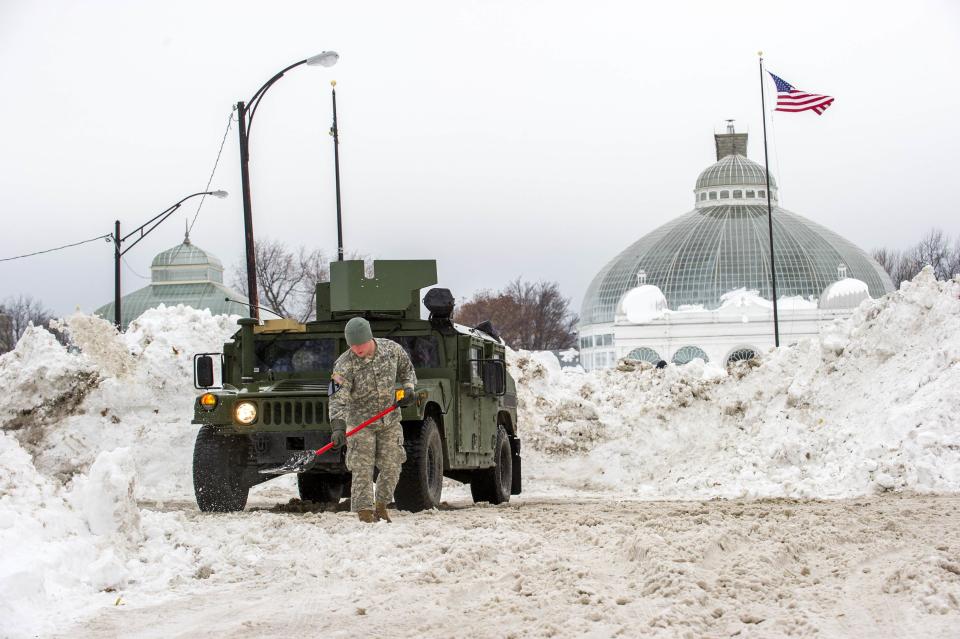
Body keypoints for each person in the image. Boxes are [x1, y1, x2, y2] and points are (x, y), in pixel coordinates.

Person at [328, 317, 417, 523]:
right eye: (352, 345)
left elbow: (407, 370)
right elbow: (336, 397)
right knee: (362, 468)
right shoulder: (343, 364)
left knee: (393, 464)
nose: (357, 349)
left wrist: (408, 388)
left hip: (389, 420)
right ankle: (364, 513)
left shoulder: (391, 350)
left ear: (370, 338)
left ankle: (382, 505)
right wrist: (338, 427)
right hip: (360, 425)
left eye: (360, 344)